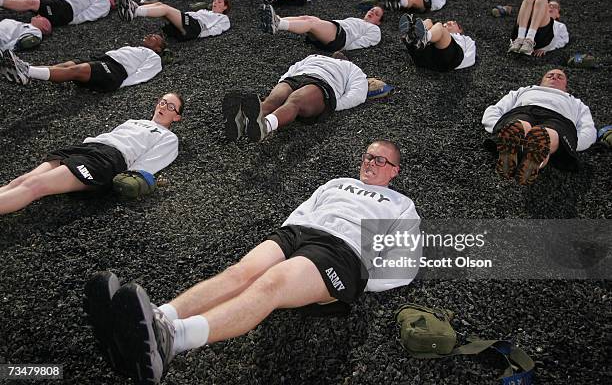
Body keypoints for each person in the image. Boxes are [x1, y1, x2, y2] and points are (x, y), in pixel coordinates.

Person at [85, 139, 421, 384]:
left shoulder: (400, 204)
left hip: (341, 251)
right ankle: (155, 318)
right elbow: (303, 211)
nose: (371, 162)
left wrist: (360, 276)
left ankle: (172, 338)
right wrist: (288, 238)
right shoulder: (338, 182)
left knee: (270, 284)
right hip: (299, 233)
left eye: (380, 160)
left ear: (395, 170)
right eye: (368, 156)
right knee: (239, 272)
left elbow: (405, 263)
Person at [0, 92, 183, 215]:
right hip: (88, 147)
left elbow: (152, 162)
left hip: (108, 160)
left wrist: (129, 177)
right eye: (163, 102)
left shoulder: (168, 137)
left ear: (177, 117)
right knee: (21, 180)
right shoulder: (133, 121)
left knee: (36, 185)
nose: (164, 107)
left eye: (171, 107)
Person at [482, 69, 596, 185]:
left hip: (558, 118)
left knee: (547, 134)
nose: (554, 77)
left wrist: (573, 142)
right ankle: (529, 151)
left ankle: (526, 152)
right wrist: (498, 126)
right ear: (541, 81)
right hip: (525, 110)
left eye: (560, 77)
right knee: (520, 124)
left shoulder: (577, 103)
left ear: (566, 87)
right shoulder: (524, 90)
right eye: (550, 75)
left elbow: (588, 129)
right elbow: (496, 109)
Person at [223, 53, 368, 142]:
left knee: (295, 101)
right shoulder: (315, 57)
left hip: (321, 83)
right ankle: (241, 123)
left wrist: (335, 104)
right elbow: (294, 67)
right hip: (297, 78)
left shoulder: (351, 67)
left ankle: (264, 126)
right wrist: (284, 82)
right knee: (273, 100)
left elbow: (358, 92)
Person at [1, 33, 165, 90]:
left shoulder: (154, 57)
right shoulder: (135, 47)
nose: (150, 36)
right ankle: (28, 71)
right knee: (68, 65)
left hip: (115, 70)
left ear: (158, 48)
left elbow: (144, 74)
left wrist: (121, 83)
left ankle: (27, 71)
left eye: (155, 38)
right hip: (104, 60)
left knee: (75, 71)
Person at [260, 4, 383, 52]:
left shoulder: (375, 29)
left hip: (341, 37)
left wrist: (344, 47)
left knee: (311, 24)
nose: (372, 12)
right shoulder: (356, 20)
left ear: (379, 22)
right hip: (334, 33)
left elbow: (364, 42)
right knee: (307, 18)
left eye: (376, 14)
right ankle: (276, 19)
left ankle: (278, 24)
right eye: (372, 10)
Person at [115, 0, 230, 42]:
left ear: (225, 7)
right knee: (161, 5)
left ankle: (134, 12)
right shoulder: (205, 11)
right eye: (214, 0)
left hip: (195, 28)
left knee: (165, 9)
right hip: (189, 23)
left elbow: (218, 30)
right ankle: (134, 6)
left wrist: (201, 33)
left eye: (219, 1)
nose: (215, 2)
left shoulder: (223, 18)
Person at [0, 0, 115, 29]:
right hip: (62, 4)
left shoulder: (104, 2)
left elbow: (90, 14)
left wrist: (70, 20)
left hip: (66, 9)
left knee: (32, 3)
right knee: (32, 3)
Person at [399, 14, 476, 71]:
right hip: (424, 56)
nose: (449, 22)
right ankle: (411, 36)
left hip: (448, 59)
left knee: (439, 26)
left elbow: (470, 57)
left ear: (460, 30)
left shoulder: (465, 39)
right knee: (428, 21)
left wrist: (459, 64)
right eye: (447, 23)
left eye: (454, 23)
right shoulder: (435, 30)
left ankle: (420, 37)